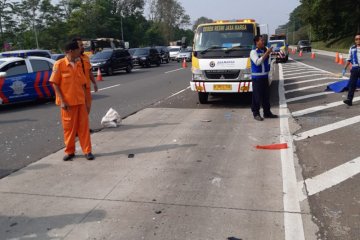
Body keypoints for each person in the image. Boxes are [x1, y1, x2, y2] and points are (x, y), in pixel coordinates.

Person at [50, 41, 95, 161]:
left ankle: (87, 151)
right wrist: (62, 101)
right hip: (68, 104)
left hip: (80, 101)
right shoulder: (59, 65)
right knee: (69, 129)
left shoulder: (79, 63)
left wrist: (85, 98)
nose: (80, 52)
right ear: (70, 51)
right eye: (77, 50)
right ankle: (70, 151)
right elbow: (55, 84)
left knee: (84, 128)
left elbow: (81, 83)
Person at [250, 35, 278, 121]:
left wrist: (269, 52)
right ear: (256, 42)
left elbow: (269, 60)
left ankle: (267, 113)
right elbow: (257, 62)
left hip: (265, 77)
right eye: (261, 40)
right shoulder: (253, 52)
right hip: (257, 78)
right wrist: (267, 53)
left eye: (263, 40)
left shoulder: (265, 50)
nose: (263, 42)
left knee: (266, 97)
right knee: (257, 97)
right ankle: (256, 114)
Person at [72, 37, 98, 113]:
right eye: (80, 45)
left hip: (86, 88)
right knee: (80, 111)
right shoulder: (72, 59)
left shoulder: (86, 57)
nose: (82, 47)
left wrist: (94, 83)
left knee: (87, 107)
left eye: (82, 45)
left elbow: (89, 71)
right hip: (78, 89)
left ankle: (85, 124)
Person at [343, 33, 360, 106]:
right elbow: (349, 59)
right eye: (356, 39)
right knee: (352, 85)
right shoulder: (352, 48)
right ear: (355, 40)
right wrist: (344, 68)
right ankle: (349, 100)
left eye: (359, 39)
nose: (358, 40)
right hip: (355, 69)